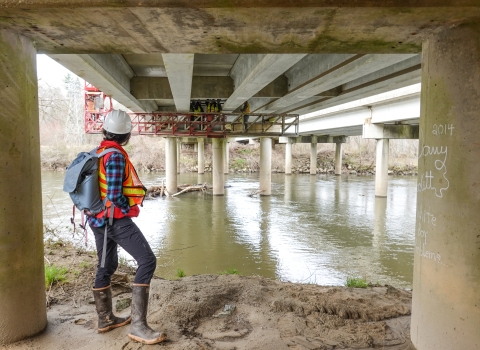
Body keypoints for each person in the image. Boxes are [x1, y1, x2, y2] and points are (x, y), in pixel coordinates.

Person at [88, 109, 167, 345]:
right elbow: (113, 195)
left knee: (107, 264)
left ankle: (105, 319)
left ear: (105, 131)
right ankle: (139, 327)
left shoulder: (98, 152)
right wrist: (128, 206)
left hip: (96, 219)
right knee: (147, 261)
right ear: (126, 136)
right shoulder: (115, 156)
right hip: (113, 219)